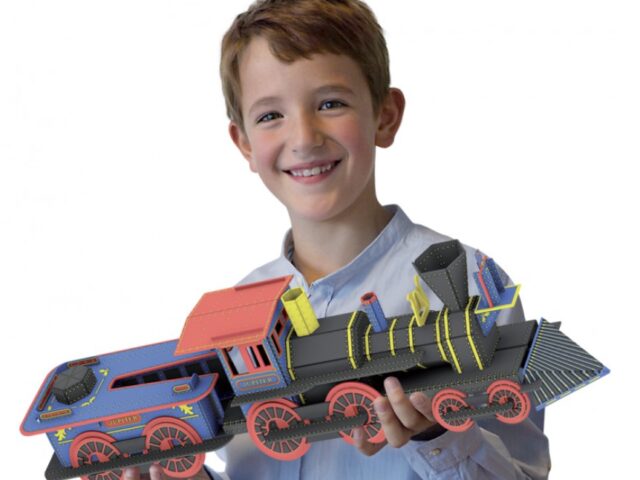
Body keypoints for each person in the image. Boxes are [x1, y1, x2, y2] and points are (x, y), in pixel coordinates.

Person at [126, 0, 550, 478]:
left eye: (330, 104)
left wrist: (440, 436)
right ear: (244, 143)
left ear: (385, 116)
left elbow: (525, 472)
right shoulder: (238, 304)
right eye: (270, 115)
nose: (304, 137)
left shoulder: (470, 280)